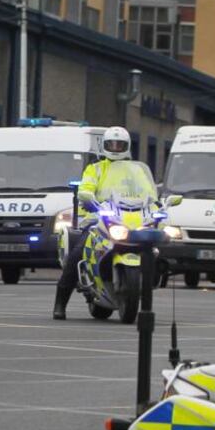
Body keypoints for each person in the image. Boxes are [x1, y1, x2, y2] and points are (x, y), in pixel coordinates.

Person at [52, 126, 132, 320]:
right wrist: (87, 198)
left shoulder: (133, 170)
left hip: (127, 220)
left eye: (119, 145)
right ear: (103, 146)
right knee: (78, 253)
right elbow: (86, 187)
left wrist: (154, 203)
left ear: (127, 146)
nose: (115, 148)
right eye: (111, 144)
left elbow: (147, 191)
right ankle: (60, 304)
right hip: (99, 219)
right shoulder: (95, 168)